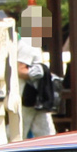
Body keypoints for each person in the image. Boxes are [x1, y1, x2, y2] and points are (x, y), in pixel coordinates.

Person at [16, 9, 55, 138]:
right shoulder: (28, 44)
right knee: (21, 132)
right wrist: (36, 74)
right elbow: (20, 70)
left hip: (35, 97)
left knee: (45, 132)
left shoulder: (30, 43)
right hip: (29, 96)